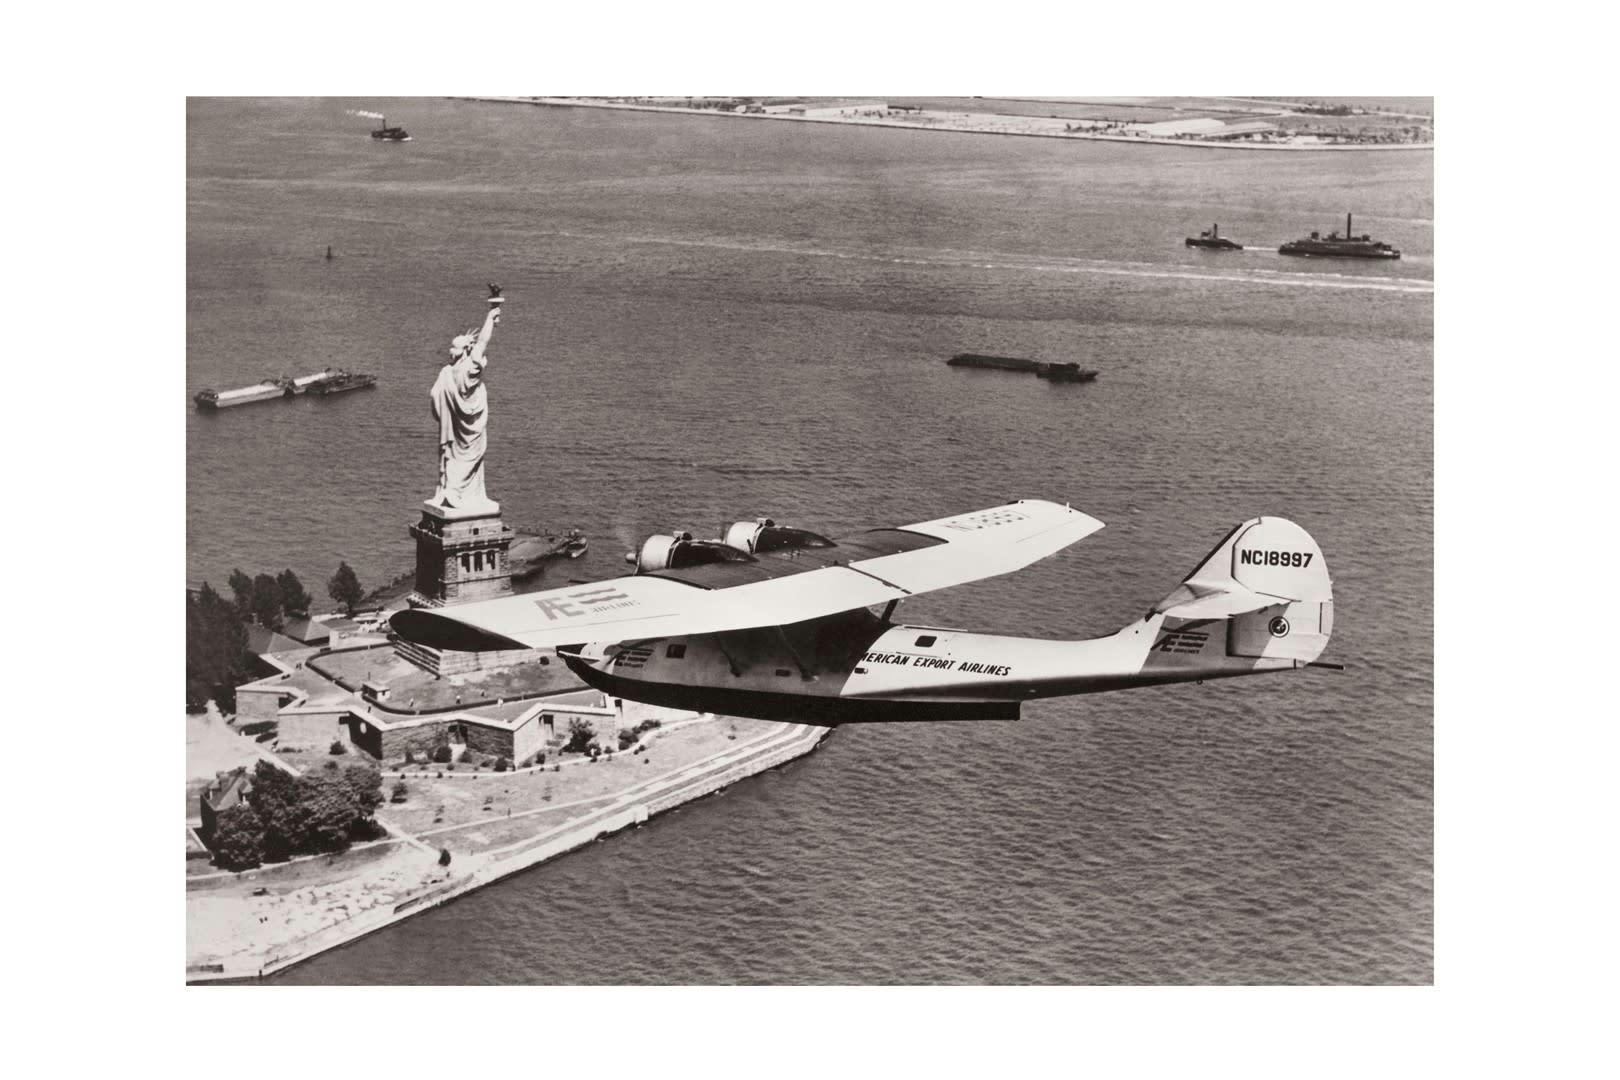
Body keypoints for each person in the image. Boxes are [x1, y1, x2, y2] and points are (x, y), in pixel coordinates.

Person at [429, 294, 503, 513]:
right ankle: (463, 493)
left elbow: (435, 397)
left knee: (452, 454)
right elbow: (482, 342)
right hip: (473, 425)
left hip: (454, 426)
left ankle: (450, 490)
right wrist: (491, 315)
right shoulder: (469, 369)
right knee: (471, 456)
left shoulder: (447, 373)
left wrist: (444, 412)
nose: (451, 351)